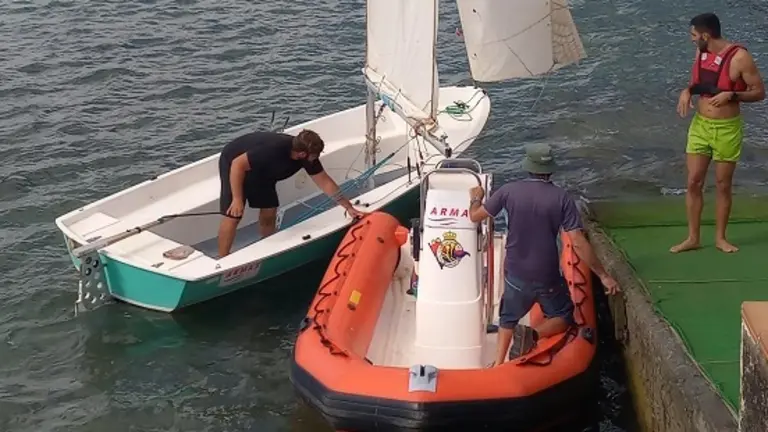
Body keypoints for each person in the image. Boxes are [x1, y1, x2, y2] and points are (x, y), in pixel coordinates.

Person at [468, 143, 619, 366]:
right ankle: (533, 334)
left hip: (516, 272)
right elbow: (577, 241)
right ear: (550, 169)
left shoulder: (508, 191)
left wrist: (476, 197)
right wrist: (604, 275)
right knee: (564, 315)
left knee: (508, 318)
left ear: (527, 166)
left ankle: (499, 363)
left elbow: (475, 216)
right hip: (546, 274)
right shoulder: (562, 198)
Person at [672, 13, 765, 254]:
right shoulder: (701, 53)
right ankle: (693, 237)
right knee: (693, 181)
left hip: (727, 129)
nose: (692, 40)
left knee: (723, 184)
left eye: (694, 35)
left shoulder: (740, 58)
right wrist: (687, 90)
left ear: (705, 35)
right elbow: (702, 84)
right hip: (700, 125)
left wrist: (732, 95)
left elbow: (759, 92)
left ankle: (721, 238)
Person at [217, 129, 364, 258]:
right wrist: (237, 198)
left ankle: (268, 246)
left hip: (264, 172)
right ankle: (223, 257)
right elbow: (238, 164)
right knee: (234, 213)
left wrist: (348, 207)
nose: (316, 158)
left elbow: (326, 183)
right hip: (234, 165)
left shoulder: (308, 159)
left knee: (269, 210)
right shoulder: (273, 149)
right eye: (315, 155)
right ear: (301, 154)